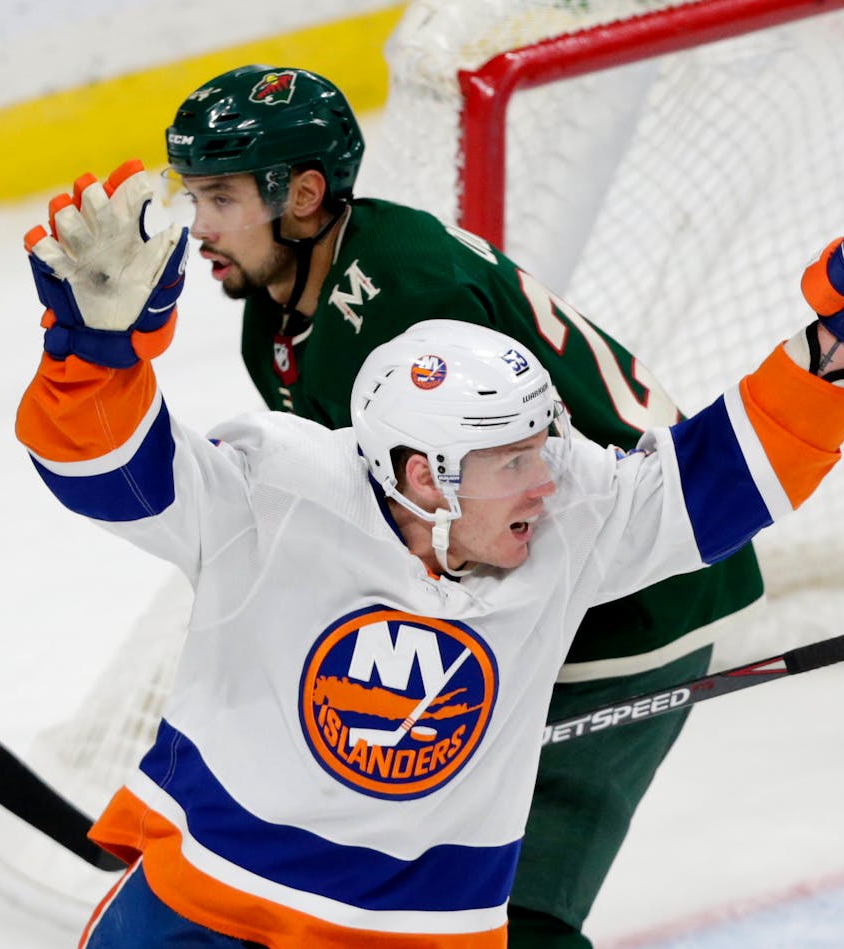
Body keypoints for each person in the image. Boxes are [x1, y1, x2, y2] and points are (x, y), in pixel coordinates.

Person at [16, 154, 844, 945]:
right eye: (511, 460)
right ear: (422, 472)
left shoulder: (568, 510)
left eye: (540, 445)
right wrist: (92, 357)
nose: (546, 479)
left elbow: (726, 474)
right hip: (208, 894)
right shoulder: (281, 491)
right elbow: (110, 477)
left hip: (418, 930)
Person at [161, 65, 768, 947]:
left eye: (219, 197)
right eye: (194, 197)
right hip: (531, 568)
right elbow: (379, 519)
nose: (199, 227)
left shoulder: (408, 300)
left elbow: (477, 530)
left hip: (626, 597)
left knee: (498, 915)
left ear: (301, 193)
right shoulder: (284, 310)